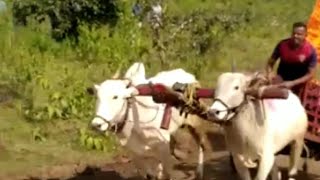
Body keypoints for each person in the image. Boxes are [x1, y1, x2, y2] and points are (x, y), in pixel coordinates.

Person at [266, 21, 318, 95]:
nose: (295, 36)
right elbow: (270, 63)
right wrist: (270, 73)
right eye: (293, 33)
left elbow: (310, 74)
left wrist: (292, 83)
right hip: (281, 79)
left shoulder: (310, 51)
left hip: (299, 83)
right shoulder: (282, 45)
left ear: (305, 35)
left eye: (299, 34)